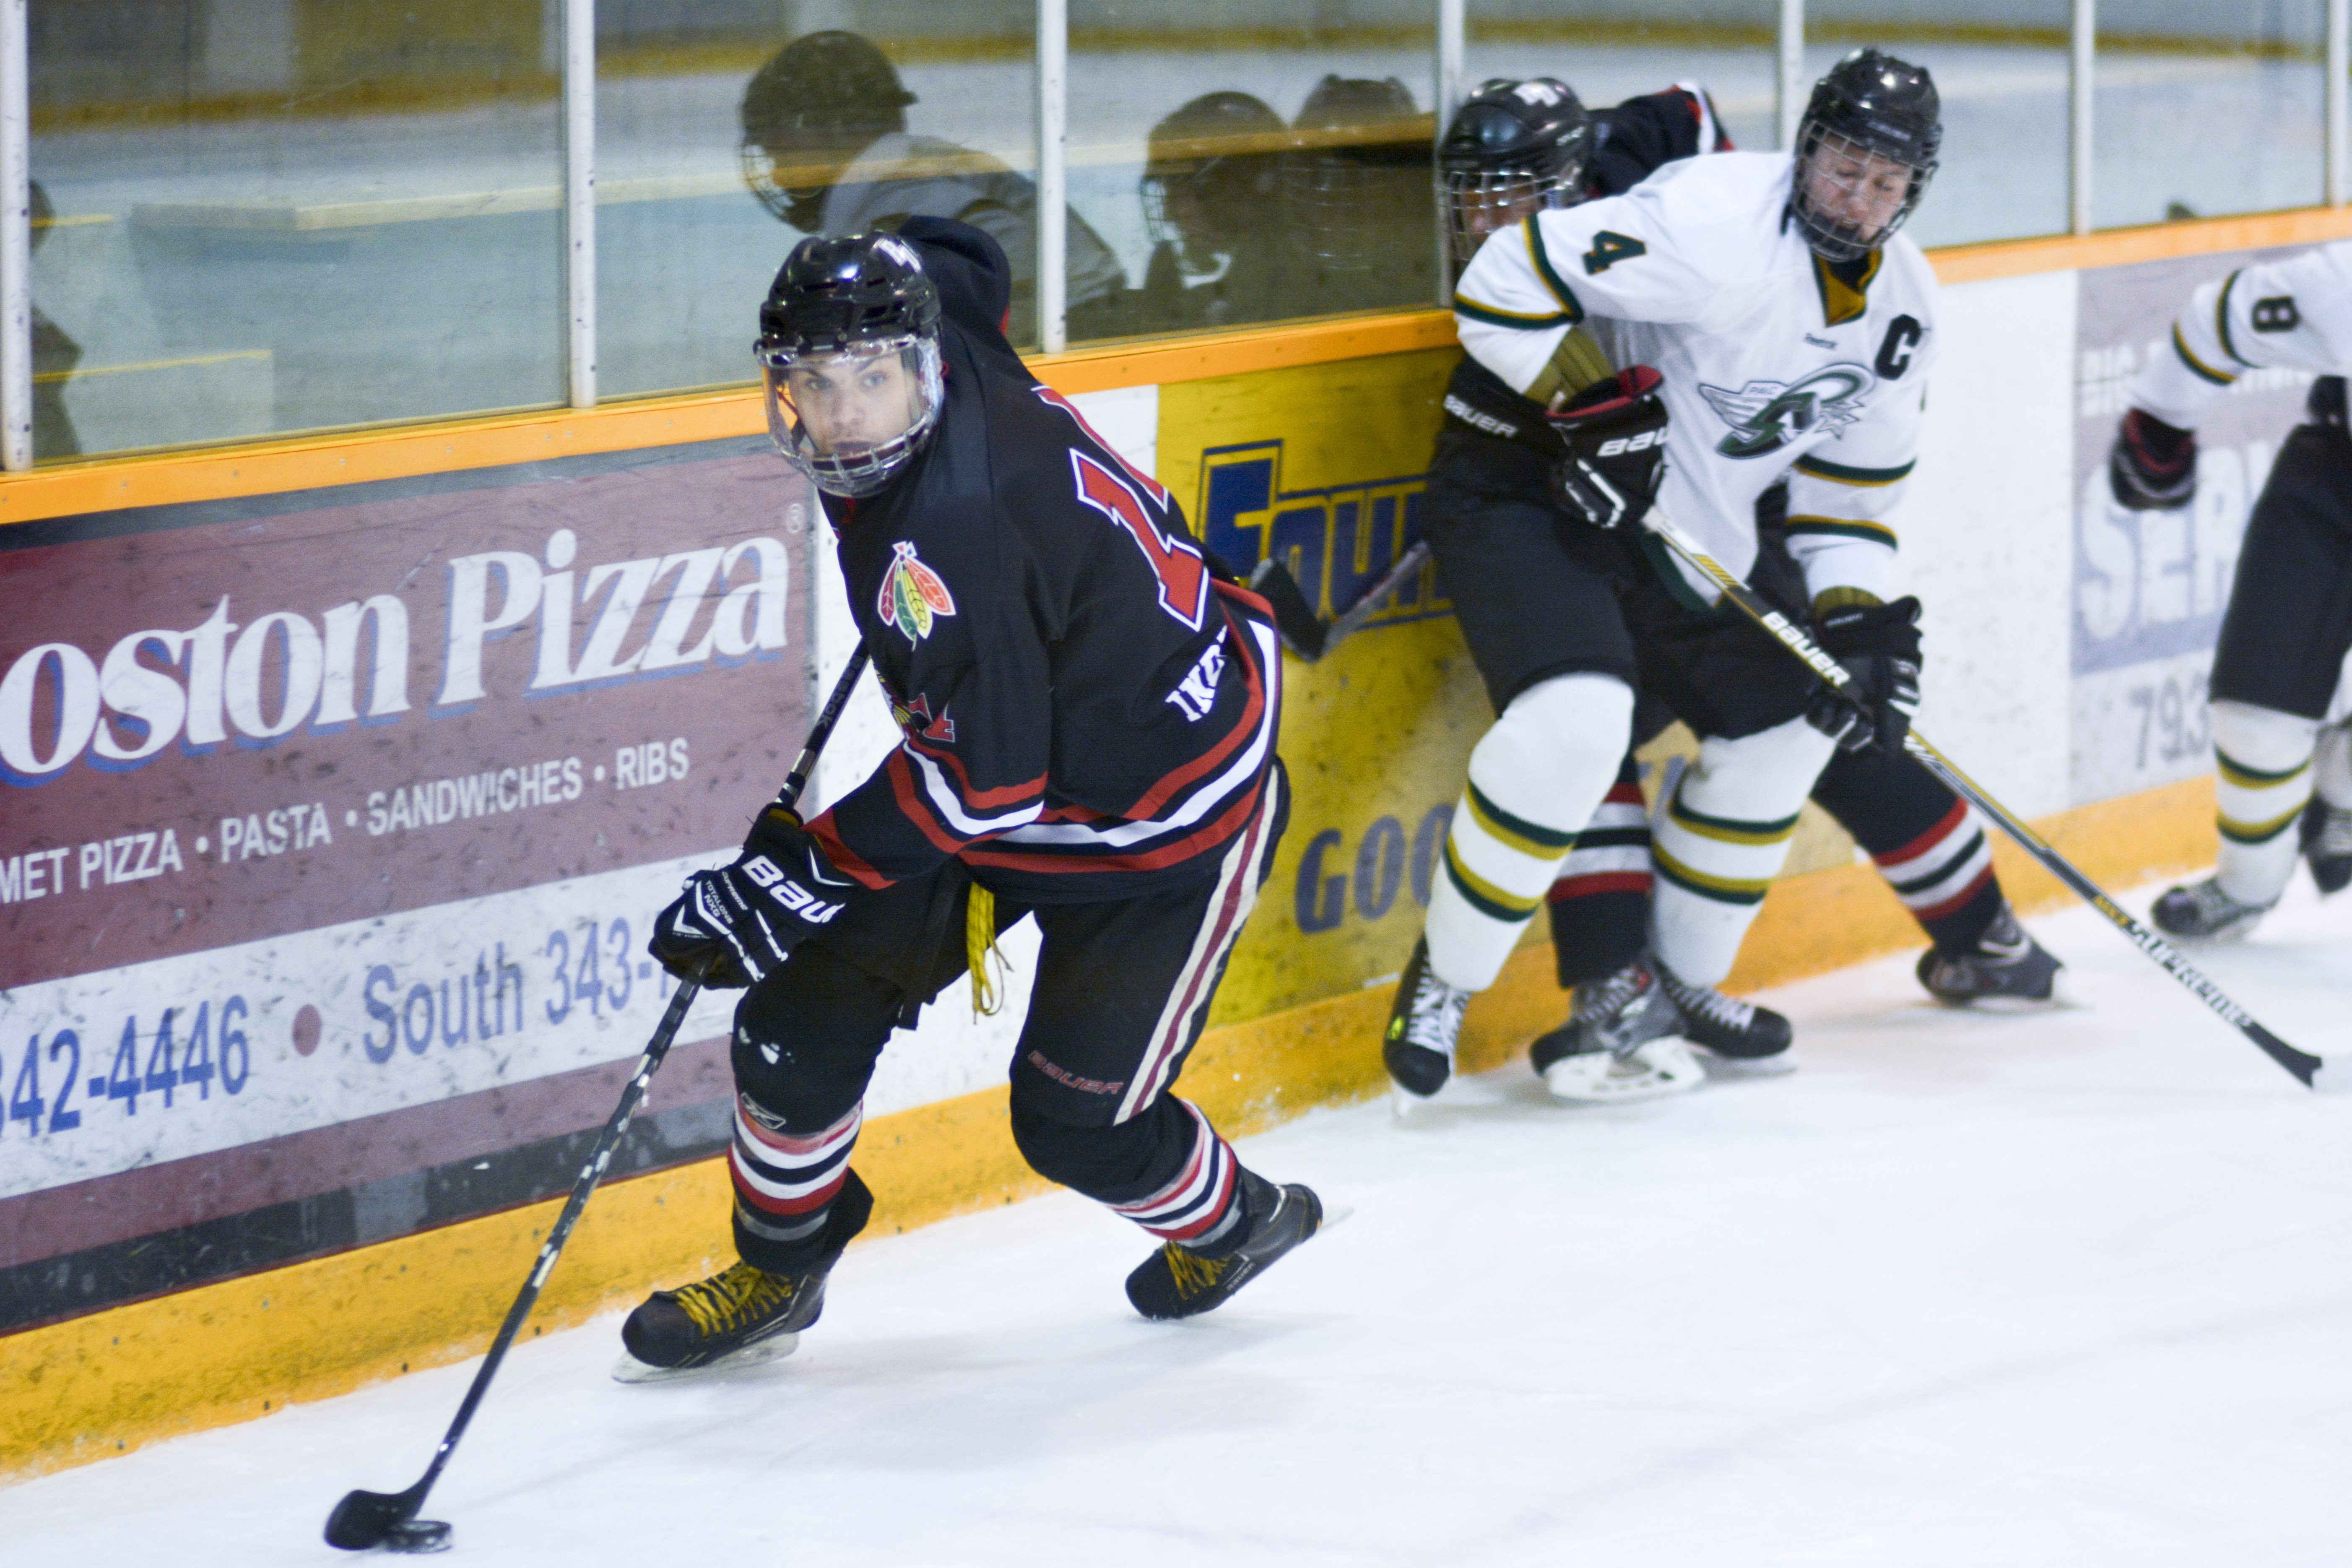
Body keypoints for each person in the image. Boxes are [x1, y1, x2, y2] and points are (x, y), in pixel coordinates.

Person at [616, 218, 1320, 1380]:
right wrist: (876, 256)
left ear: (927, 366)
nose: (845, 415)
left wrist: (799, 870)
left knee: (1076, 1128)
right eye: (815, 381)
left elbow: (981, 783)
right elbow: (969, 251)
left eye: (872, 382)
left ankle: (1239, 1223)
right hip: (1028, 766)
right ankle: (781, 1271)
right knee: (798, 1022)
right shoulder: (941, 318)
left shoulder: (952, 539)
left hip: (1168, 827)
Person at [1383, 50, 1995, 1106]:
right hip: (1526, 482)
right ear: (1809, 150)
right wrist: (1591, 403)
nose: (1858, 200)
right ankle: (1446, 978)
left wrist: (1859, 623)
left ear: (1915, 192)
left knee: (1801, 719)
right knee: (1577, 725)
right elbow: (1500, 278)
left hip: (1675, 522)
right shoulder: (1712, 224)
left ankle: (1673, 985)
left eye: (1885, 184)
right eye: (1844, 168)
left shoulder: (1903, 311)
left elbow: (1848, 499)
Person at [2112, 242, 2352, 939]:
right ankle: (2245, 886)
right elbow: (2223, 315)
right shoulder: (2340, 285)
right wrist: (2158, 424)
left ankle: (2339, 792)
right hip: (2333, 480)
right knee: (2255, 706)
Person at [738, 31, 1130, 343]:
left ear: (828, 129)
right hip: (1091, 314)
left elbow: (1011, 254)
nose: (774, 174)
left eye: (778, 151)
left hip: (1081, 328)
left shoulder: (897, 197)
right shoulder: (906, 169)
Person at [1136, 91, 1292, 333]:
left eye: (1179, 193)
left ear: (1241, 190)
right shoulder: (1258, 276)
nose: (1169, 214)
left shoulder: (1287, 295)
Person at [1284, 74, 1439, 315]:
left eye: (1359, 174)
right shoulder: (1274, 251)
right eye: (1325, 175)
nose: (1343, 198)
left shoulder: (1427, 255)